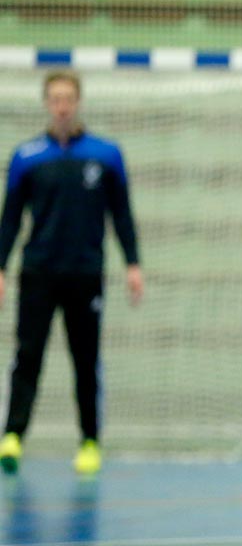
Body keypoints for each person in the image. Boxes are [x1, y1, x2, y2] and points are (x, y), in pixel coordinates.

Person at [0, 69, 144, 477]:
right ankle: (12, 436)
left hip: (85, 273)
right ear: (47, 103)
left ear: (78, 101)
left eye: (68, 98)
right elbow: (10, 219)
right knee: (27, 356)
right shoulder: (27, 157)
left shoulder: (105, 154)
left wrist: (133, 263)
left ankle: (90, 440)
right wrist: (1, 267)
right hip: (38, 272)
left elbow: (122, 215)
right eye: (55, 98)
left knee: (86, 360)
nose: (62, 106)